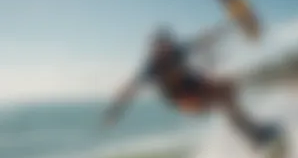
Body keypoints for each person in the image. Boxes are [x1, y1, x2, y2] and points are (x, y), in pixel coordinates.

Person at [103, 24, 280, 149]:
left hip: (198, 86)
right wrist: (114, 112)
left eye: (166, 44)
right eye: (158, 47)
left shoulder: (178, 51)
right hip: (184, 100)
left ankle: (255, 131)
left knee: (229, 86)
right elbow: (129, 90)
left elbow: (204, 39)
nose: (163, 49)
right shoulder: (151, 68)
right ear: (153, 48)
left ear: (169, 44)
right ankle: (254, 137)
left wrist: (228, 28)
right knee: (223, 98)